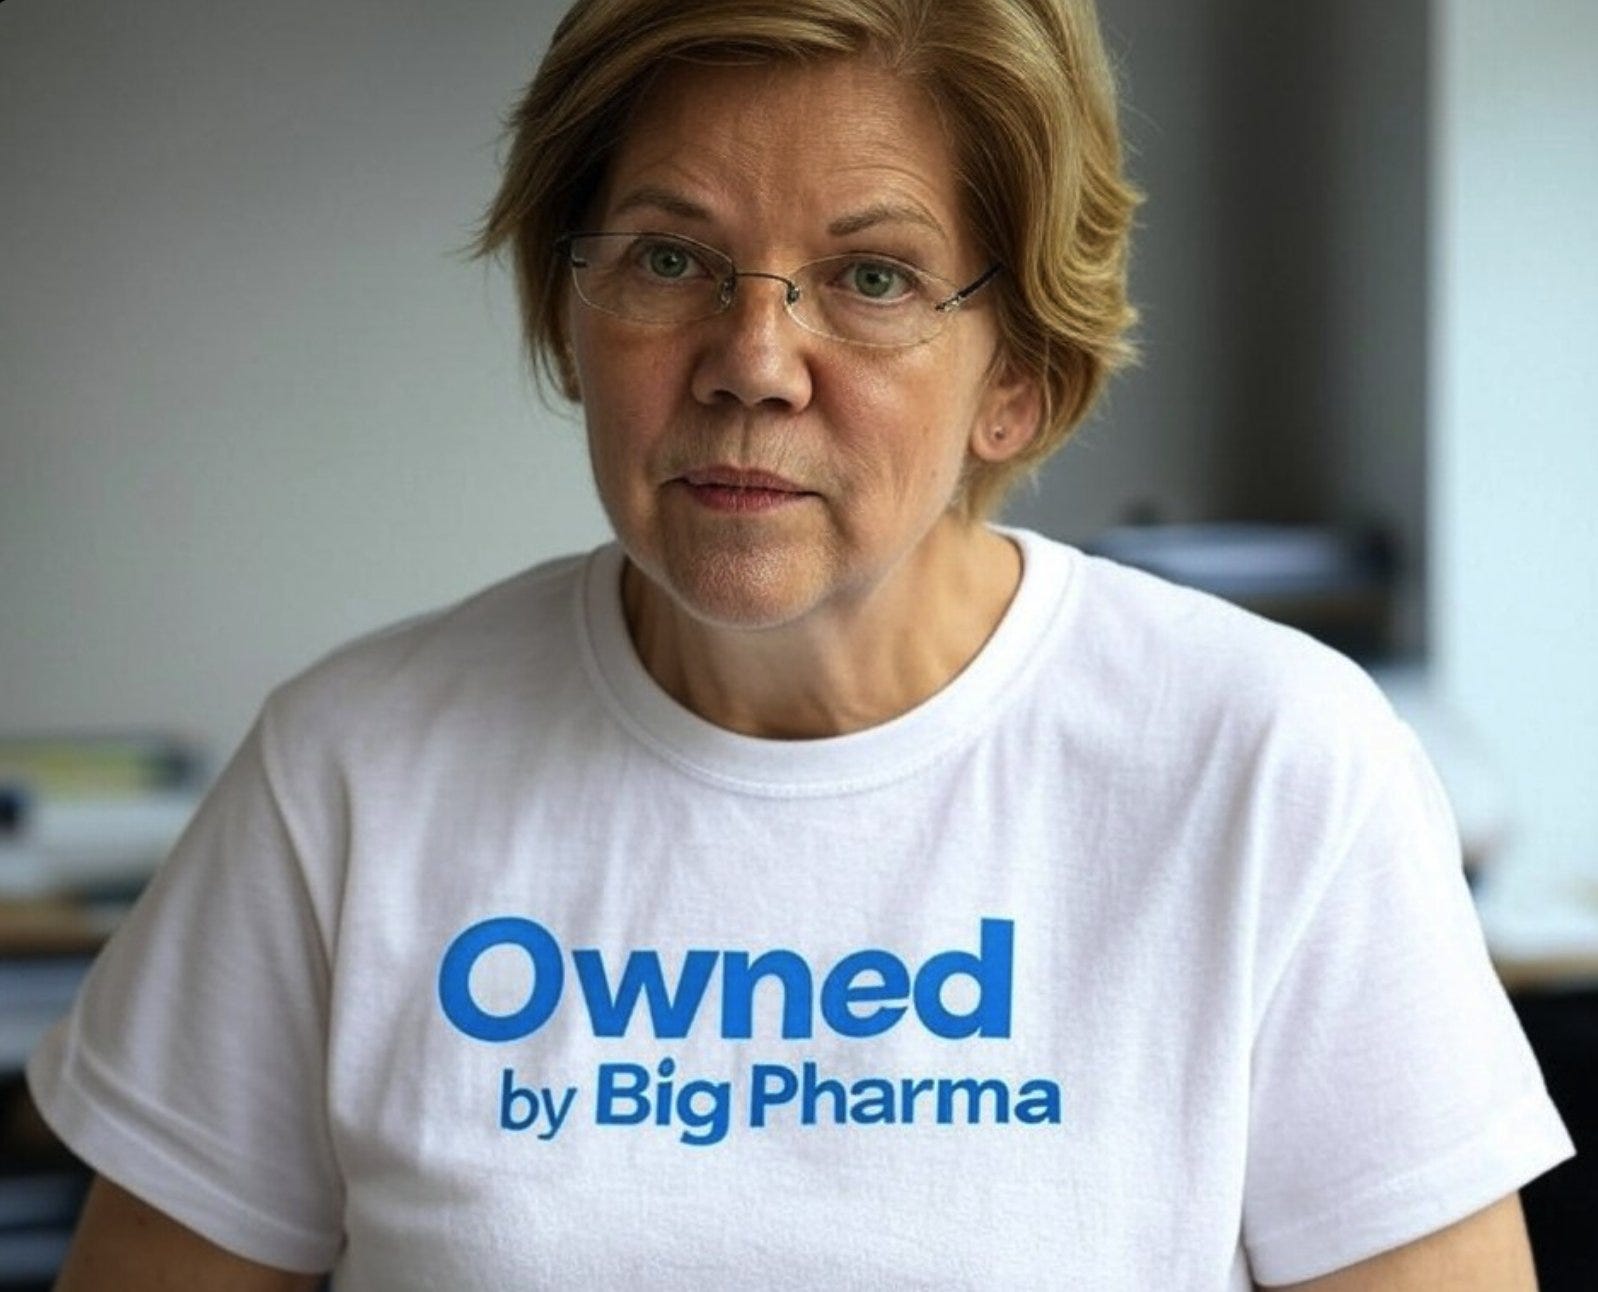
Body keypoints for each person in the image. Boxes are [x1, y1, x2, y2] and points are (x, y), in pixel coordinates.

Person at [28, 0, 1574, 1288]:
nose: (752, 362)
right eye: (668, 258)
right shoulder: (351, 772)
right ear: (569, 313)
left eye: (872, 278)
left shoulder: (1270, 764)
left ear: (1017, 377)